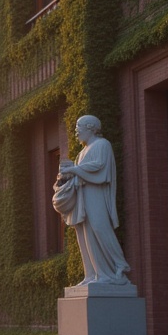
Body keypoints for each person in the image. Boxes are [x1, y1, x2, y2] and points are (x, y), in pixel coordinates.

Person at [54, 115, 131, 286]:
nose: (76, 132)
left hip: (96, 193)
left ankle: (118, 265)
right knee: (84, 232)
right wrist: (66, 176)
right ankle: (92, 274)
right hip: (83, 195)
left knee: (99, 226)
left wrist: (75, 170)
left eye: (78, 128)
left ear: (90, 128)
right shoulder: (81, 153)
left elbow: (100, 168)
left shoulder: (103, 145)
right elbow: (78, 174)